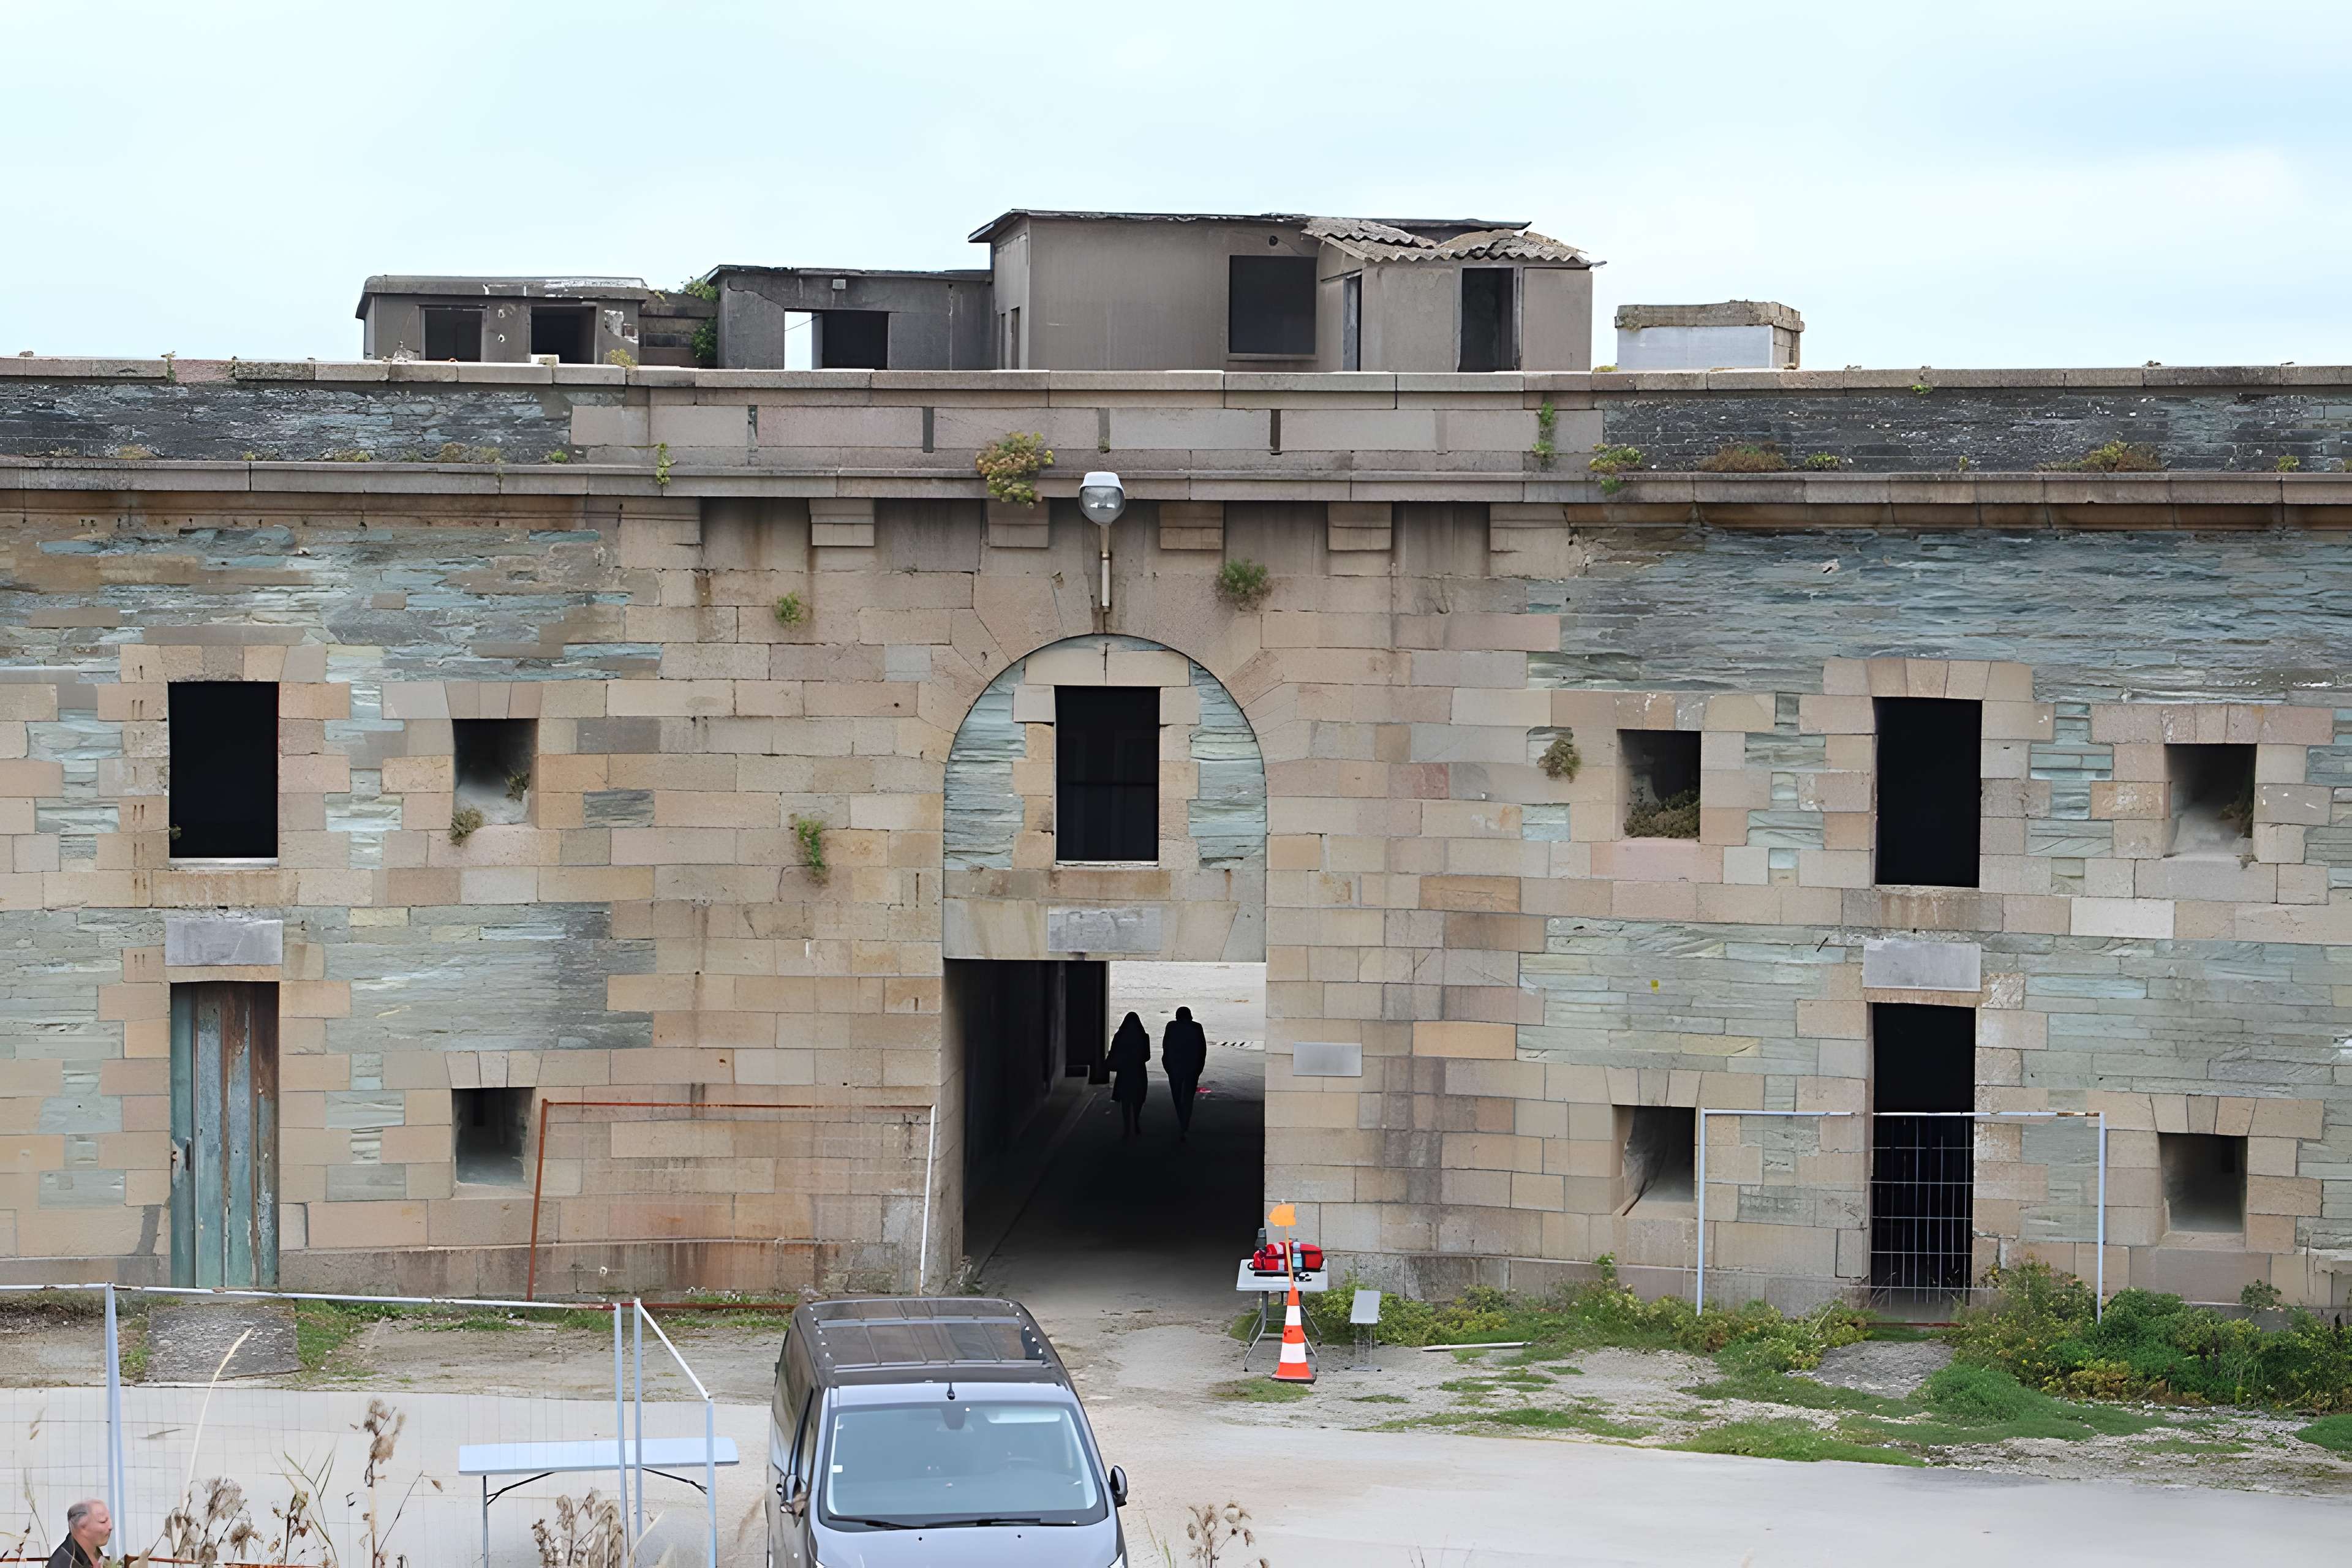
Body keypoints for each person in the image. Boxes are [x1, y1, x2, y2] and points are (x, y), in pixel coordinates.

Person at [1160, 1006, 1208, 1142]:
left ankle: (1181, 1118)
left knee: (1177, 1094)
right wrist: (1200, 1066)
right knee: (1188, 1096)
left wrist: (1166, 1064)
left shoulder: (1171, 1026)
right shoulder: (1197, 1027)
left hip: (1175, 1066)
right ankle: (1185, 1122)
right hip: (1192, 1066)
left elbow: (1166, 1046)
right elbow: (1202, 1048)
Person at [1106, 1011, 1151, 1139]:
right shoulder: (1144, 1037)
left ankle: (1127, 1129)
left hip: (1124, 1072)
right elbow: (1147, 1057)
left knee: (1126, 1101)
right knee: (1138, 1099)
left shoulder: (1119, 1036)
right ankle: (1136, 1122)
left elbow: (1113, 1052)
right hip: (1139, 1071)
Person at [48, 1499, 110, 1568]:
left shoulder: (93, 1551)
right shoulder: (62, 1562)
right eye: (102, 1521)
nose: (110, 1527)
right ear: (83, 1527)